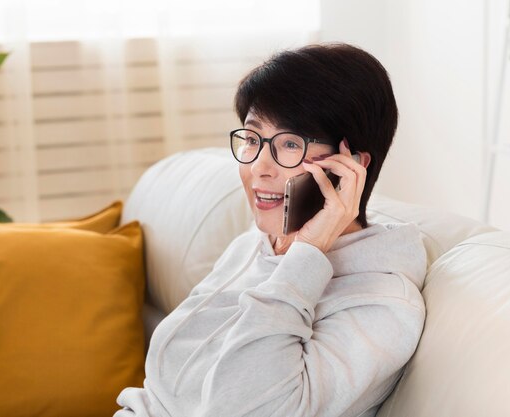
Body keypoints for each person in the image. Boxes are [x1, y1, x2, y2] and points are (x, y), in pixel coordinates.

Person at [115, 43, 426, 417]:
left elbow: (246, 408)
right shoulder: (256, 245)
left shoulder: (384, 306)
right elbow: (158, 392)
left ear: (349, 166)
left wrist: (305, 259)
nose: (260, 167)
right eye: (251, 139)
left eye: (290, 144)